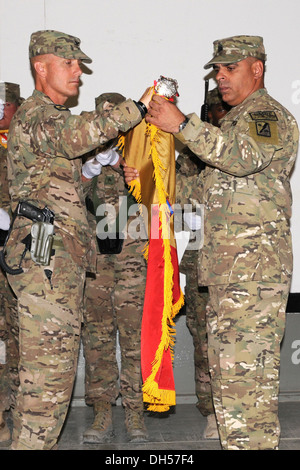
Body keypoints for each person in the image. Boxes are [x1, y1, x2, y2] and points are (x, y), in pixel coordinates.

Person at [146, 35, 299, 450]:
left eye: (230, 68)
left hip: (253, 273)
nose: (221, 76)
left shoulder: (265, 115)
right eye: (217, 69)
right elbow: (201, 192)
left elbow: (241, 157)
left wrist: (181, 124)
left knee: (246, 388)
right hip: (230, 274)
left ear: (257, 69)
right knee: (232, 386)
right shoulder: (232, 121)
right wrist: (150, 180)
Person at [4, 29, 152, 450]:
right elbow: (78, 135)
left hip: (59, 261)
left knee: (53, 377)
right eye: (69, 63)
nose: (77, 73)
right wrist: (138, 107)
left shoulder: (47, 120)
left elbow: (66, 185)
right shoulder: (38, 114)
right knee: (47, 382)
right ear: (41, 66)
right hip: (46, 257)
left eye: (79, 65)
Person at [81, 101, 148, 443]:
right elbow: (64, 195)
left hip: (132, 261)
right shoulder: (81, 156)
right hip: (96, 263)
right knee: (98, 337)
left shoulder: (142, 156)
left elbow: (157, 197)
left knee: (135, 337)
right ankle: (103, 408)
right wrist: (90, 169)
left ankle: (135, 411)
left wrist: (129, 170)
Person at [175, 88, 230, 440]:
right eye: (214, 110)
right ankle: (210, 408)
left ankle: (233, 408)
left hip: (234, 255)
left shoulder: (239, 148)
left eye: (224, 109)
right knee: (204, 337)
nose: (219, 115)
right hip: (198, 258)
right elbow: (180, 202)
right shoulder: (192, 157)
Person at [0, 82, 23, 446]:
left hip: (21, 255)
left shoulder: (29, 143)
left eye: (5, 103)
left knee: (22, 337)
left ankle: (18, 412)